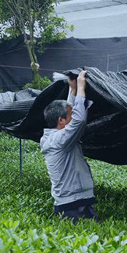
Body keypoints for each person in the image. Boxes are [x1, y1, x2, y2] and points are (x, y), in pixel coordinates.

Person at [40, 70, 98, 223]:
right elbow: (79, 121)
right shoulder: (58, 140)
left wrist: (72, 90)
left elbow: (70, 116)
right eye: (69, 116)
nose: (72, 117)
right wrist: (80, 88)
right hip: (72, 204)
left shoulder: (53, 136)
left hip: (75, 199)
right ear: (61, 120)